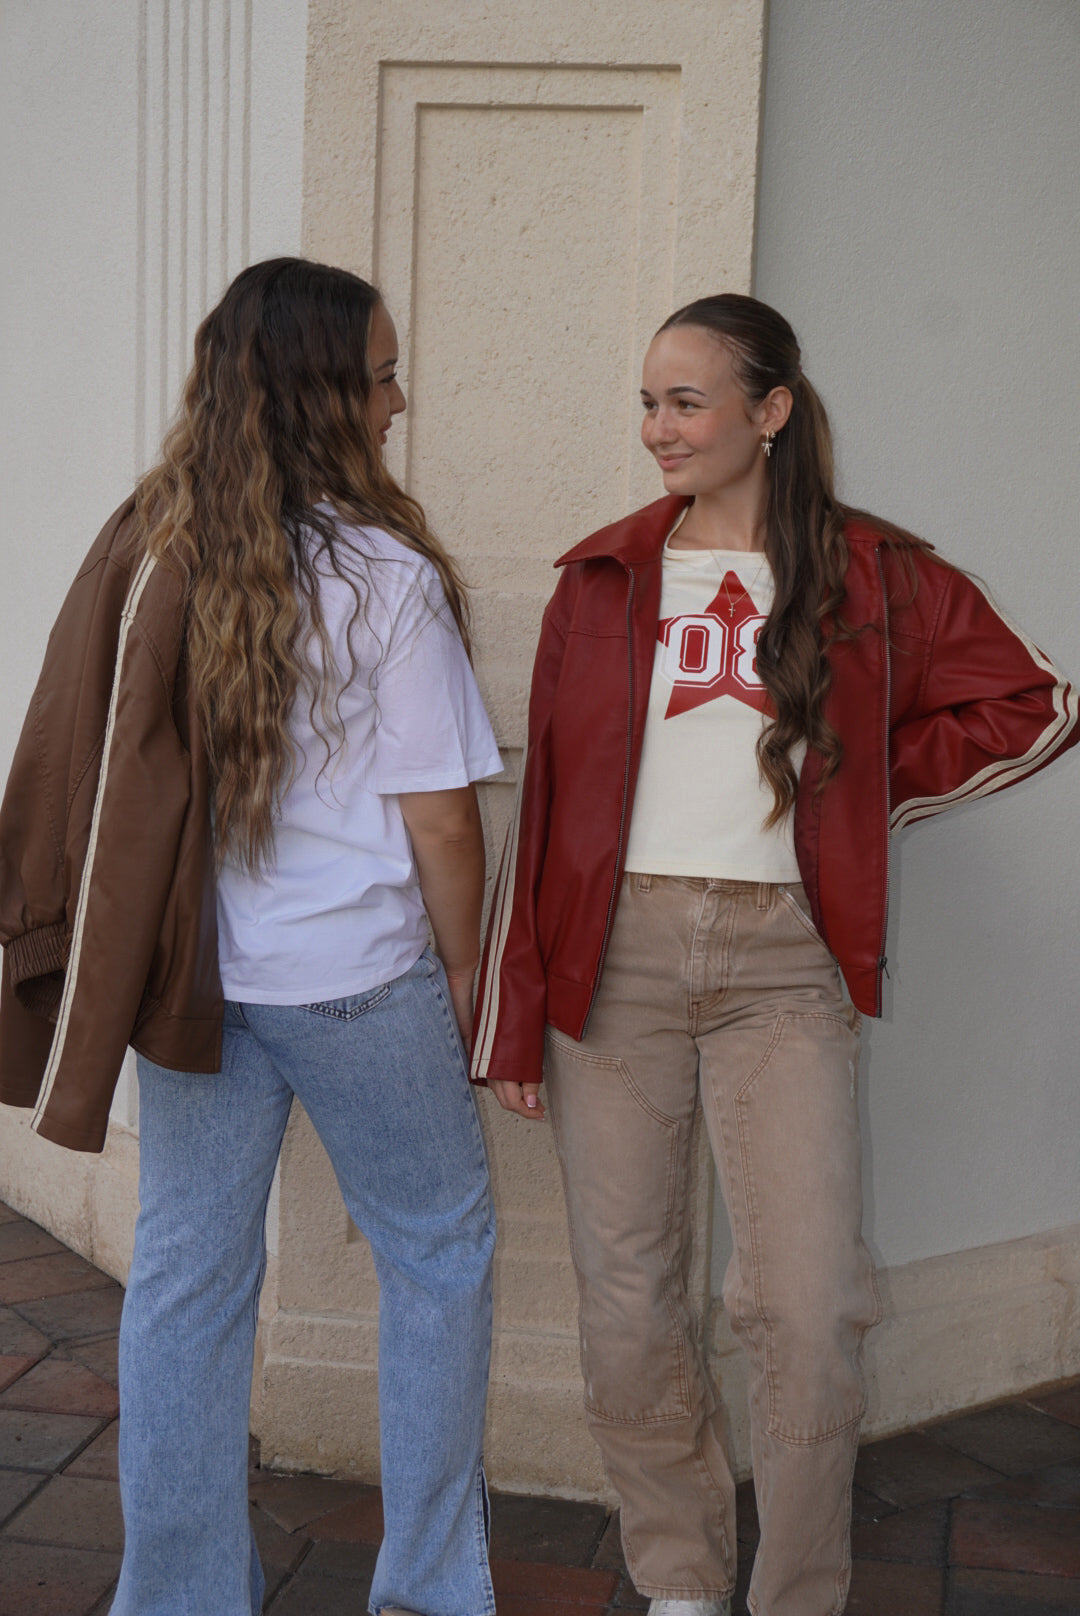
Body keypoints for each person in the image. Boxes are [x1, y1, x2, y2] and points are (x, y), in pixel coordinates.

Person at [469, 293, 1078, 1616]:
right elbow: (550, 811)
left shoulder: (868, 569)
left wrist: (861, 791)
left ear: (771, 410)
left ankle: (796, 1596)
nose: (657, 429)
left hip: (785, 973)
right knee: (629, 1307)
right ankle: (680, 1583)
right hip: (612, 968)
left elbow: (1034, 702)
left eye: (685, 401)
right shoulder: (604, 577)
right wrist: (512, 1021)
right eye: (646, 402)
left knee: (807, 1312)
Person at [0, 258, 501, 1616]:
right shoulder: (384, 574)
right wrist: (470, 978)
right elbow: (444, 827)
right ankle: (429, 1593)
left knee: (186, 1285)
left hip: (196, 991)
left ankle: (174, 1601)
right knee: (440, 1253)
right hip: (360, 986)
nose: (400, 398)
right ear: (324, 392)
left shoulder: (155, 544)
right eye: (383, 373)